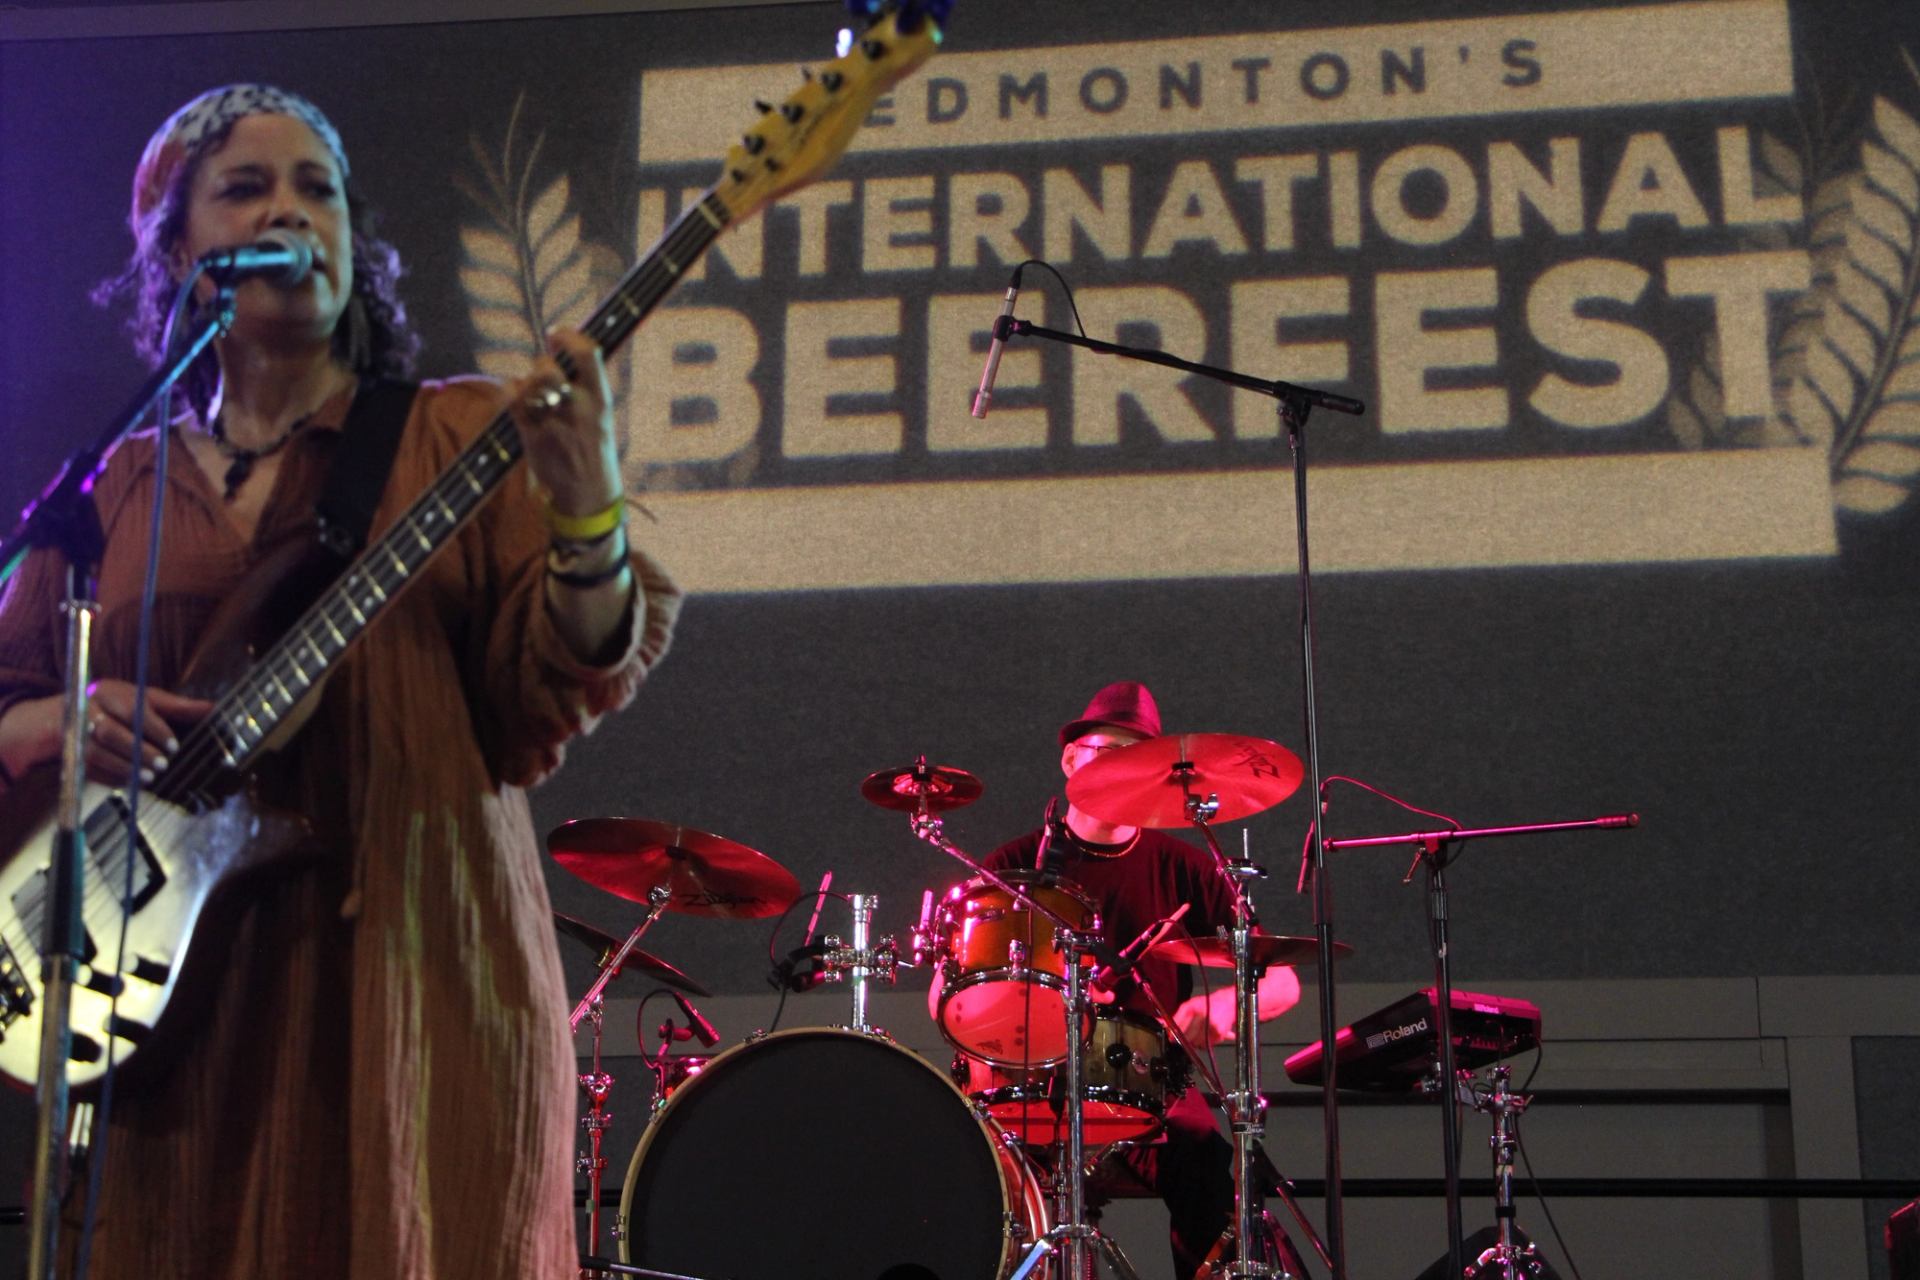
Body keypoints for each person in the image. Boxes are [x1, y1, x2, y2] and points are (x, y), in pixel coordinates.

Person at [0, 85, 680, 1278]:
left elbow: (569, 669)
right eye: (248, 188)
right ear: (178, 246)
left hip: (414, 965)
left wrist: (588, 511)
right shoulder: (111, 487)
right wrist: (58, 716)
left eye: (319, 189)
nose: (291, 211)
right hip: (173, 1008)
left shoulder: (455, 435)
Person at [979, 680, 1302, 1280]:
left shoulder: (1186, 867)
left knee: (1212, 1173)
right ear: (1071, 758)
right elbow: (953, 995)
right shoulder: (1012, 868)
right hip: (1031, 1084)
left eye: (1134, 756)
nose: (1117, 768)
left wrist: (1225, 1007)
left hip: (1149, 1085)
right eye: (1105, 751)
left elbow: (1283, 979)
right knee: (976, 1177)